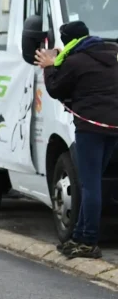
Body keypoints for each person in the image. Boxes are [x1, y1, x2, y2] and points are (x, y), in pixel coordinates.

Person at [35, 21, 118, 260]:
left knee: (89, 186)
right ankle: (80, 237)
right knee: (91, 182)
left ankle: (88, 241)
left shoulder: (75, 62)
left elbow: (54, 88)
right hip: (113, 128)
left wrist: (49, 66)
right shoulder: (110, 55)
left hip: (90, 129)